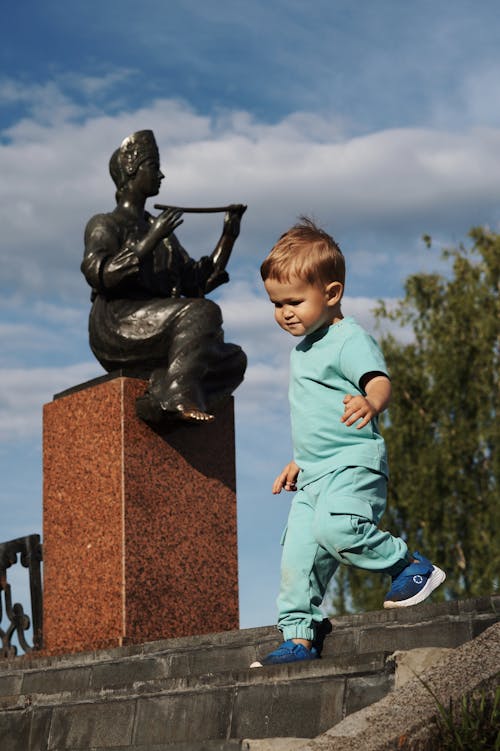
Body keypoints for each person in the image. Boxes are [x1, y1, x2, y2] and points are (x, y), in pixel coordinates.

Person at [251, 218, 445, 667]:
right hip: (314, 473)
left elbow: (379, 381)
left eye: (294, 301)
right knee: (297, 555)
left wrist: (372, 403)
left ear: (332, 293)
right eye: (276, 304)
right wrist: (298, 461)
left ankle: (408, 566)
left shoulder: (346, 338)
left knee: (337, 529)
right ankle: (299, 637)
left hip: (354, 464)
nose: (285, 313)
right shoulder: (302, 352)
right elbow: (316, 419)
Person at [81, 130, 247, 423]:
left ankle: (159, 399)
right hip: (118, 322)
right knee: (202, 314)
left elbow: (197, 283)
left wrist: (228, 236)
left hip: (159, 325)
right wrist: (151, 239)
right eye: (154, 167)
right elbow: (101, 274)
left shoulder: (161, 233)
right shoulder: (105, 223)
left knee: (232, 360)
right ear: (132, 170)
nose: (161, 175)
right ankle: (177, 395)